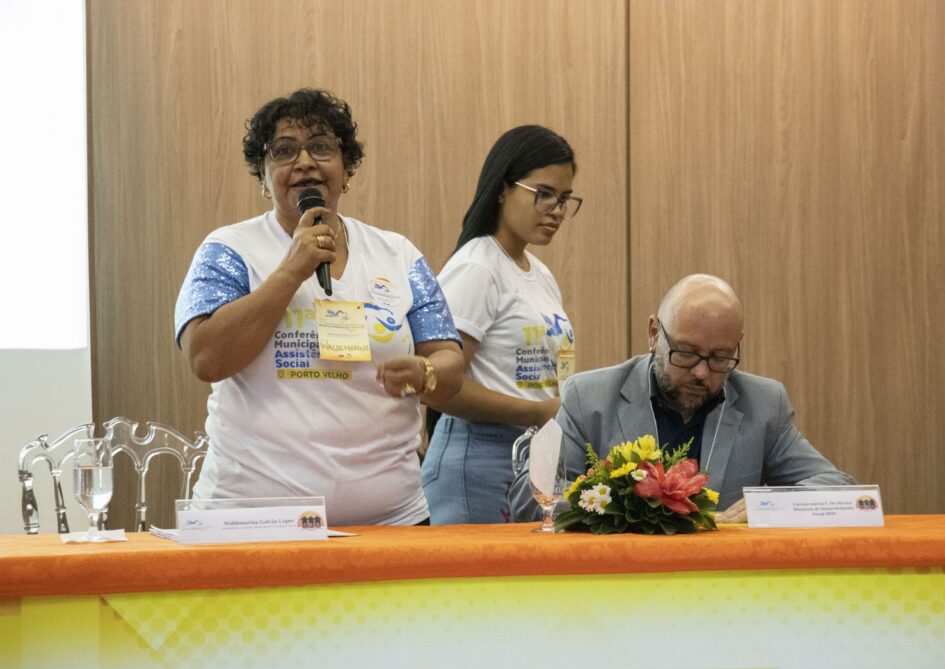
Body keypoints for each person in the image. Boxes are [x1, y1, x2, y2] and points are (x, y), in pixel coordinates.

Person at [174, 88, 463, 526]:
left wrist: (426, 372)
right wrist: (291, 270)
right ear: (263, 174)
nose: (305, 162)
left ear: (346, 168)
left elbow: (450, 363)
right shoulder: (229, 249)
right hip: (253, 524)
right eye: (284, 151)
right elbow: (206, 358)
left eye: (322, 147)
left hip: (392, 522)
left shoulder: (397, 254)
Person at [509, 274, 856, 524]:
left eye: (720, 358)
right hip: (620, 584)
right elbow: (531, 500)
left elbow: (842, 489)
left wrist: (770, 506)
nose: (702, 372)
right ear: (654, 334)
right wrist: (626, 505)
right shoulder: (590, 398)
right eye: (687, 353)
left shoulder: (764, 404)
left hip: (724, 586)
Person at [421, 125, 583, 524]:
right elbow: (439, 388)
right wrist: (538, 412)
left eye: (564, 199)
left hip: (533, 452)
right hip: (478, 456)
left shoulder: (540, 274)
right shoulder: (477, 266)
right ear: (502, 189)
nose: (556, 210)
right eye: (543, 194)